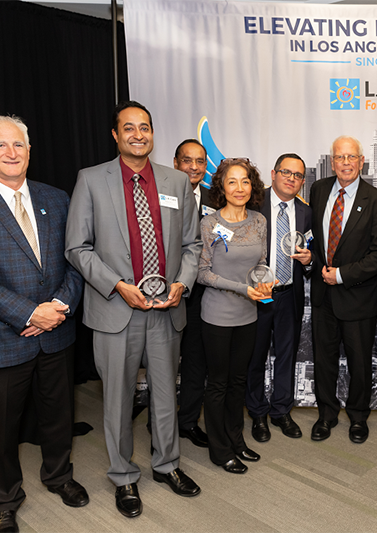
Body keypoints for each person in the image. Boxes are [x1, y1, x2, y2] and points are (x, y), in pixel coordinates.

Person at [0, 115, 87, 533]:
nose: (11, 153)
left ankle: (59, 476)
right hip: (2, 339)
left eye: (19, 145)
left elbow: (75, 260)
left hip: (57, 331)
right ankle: (5, 499)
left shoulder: (57, 198)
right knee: (1, 428)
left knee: (59, 415)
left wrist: (59, 305)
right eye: (1, 146)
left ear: (29, 150)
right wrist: (30, 313)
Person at [65, 101, 203, 518]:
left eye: (145, 127)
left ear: (153, 133)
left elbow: (192, 246)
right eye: (129, 128)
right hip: (115, 309)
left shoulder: (176, 182)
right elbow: (77, 248)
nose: (138, 134)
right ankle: (123, 476)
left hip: (166, 309)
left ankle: (167, 465)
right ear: (115, 134)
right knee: (118, 401)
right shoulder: (91, 180)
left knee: (165, 394)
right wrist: (118, 286)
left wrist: (181, 283)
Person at [309, 135, 377, 444]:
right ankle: (326, 414)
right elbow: (317, 239)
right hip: (322, 296)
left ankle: (358, 417)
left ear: (362, 162)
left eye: (351, 157)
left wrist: (341, 275)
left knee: (359, 363)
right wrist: (315, 263)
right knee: (324, 360)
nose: (345, 163)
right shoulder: (318, 190)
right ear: (332, 162)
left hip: (357, 296)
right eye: (339, 157)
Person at [197, 158, 269, 474]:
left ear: (252, 186)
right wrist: (242, 288)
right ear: (221, 188)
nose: (239, 188)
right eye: (232, 182)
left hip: (248, 315)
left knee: (239, 382)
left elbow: (261, 263)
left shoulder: (258, 221)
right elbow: (202, 273)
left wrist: (265, 280)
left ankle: (237, 440)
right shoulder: (210, 224)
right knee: (218, 384)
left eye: (245, 181)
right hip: (216, 316)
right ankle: (220, 449)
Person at [246, 153, 312, 442]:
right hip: (258, 295)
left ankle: (281, 410)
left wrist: (310, 259)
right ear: (273, 173)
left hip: (289, 295)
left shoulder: (307, 212)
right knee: (255, 355)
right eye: (286, 172)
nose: (291, 178)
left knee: (287, 355)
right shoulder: (253, 205)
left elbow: (313, 250)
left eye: (297, 175)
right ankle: (258, 412)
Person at [174, 138, 214, 448]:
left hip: (203, 295)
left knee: (196, 362)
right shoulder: (161, 195)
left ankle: (187, 422)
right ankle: (157, 424)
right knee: (163, 362)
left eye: (200, 161)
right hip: (168, 291)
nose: (194, 167)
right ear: (176, 163)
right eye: (187, 160)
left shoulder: (215, 197)